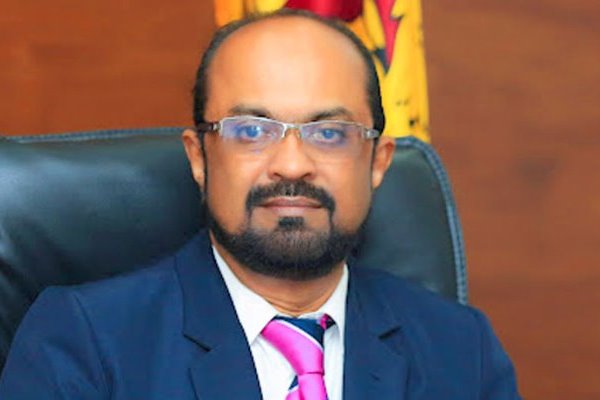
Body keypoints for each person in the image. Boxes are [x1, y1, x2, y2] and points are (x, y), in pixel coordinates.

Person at [0, 9, 520, 400]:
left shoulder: (461, 349)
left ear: (378, 161)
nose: (291, 165)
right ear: (199, 157)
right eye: (251, 131)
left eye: (329, 133)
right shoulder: (83, 343)